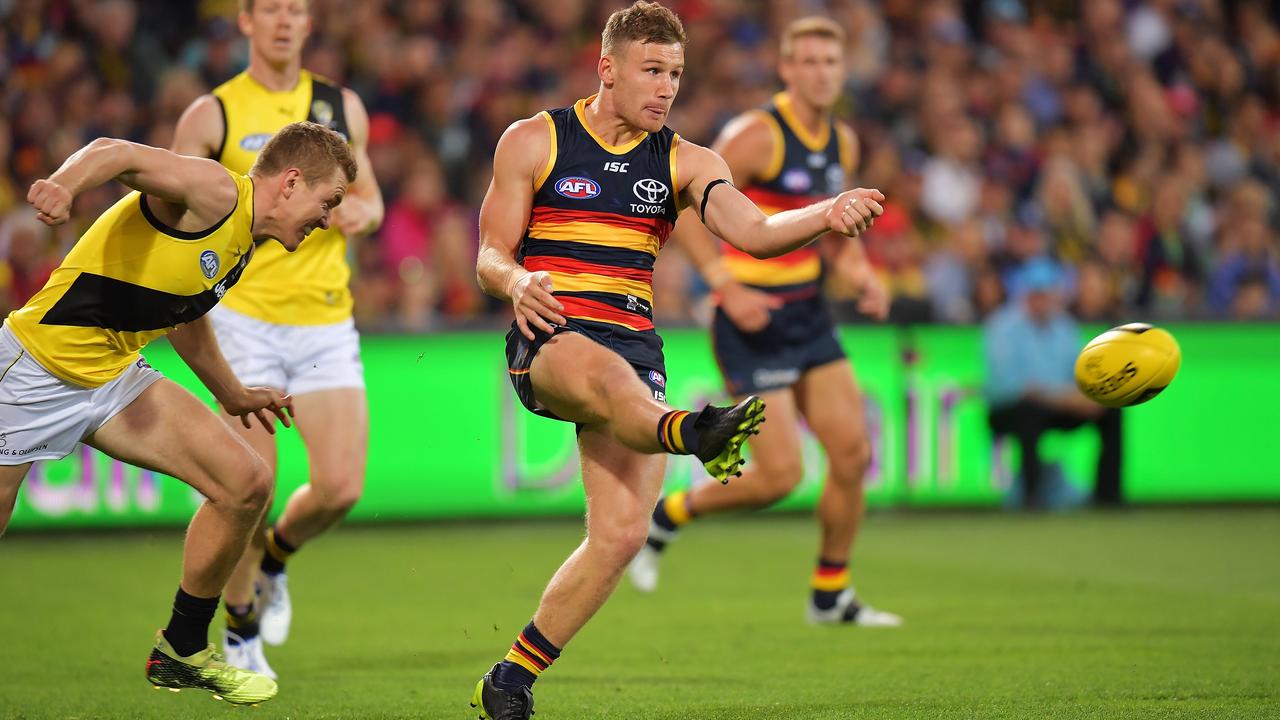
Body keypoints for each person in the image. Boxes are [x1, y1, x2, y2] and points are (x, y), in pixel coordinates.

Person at [470, 3, 884, 718]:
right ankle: (691, 432)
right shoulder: (533, 140)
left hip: (635, 346)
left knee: (623, 534)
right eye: (652, 71)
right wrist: (515, 281)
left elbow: (752, 232)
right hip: (550, 330)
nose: (666, 88)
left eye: (676, 75)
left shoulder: (688, 161)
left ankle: (511, 676)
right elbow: (488, 253)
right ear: (608, 68)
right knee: (602, 376)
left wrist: (825, 212)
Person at [0, 121, 356, 704]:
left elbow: (184, 311)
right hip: (34, 370)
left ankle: (181, 648)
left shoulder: (240, 239)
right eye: (328, 201)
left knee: (246, 484)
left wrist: (234, 393)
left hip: (114, 375)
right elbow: (112, 152)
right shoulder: (215, 191)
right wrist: (64, 185)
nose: (328, 219)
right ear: (292, 182)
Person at [627, 16, 903, 628]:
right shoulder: (756, 136)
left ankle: (830, 595)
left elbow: (837, 228)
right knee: (780, 476)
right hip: (751, 318)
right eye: (807, 61)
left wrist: (859, 273)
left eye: (830, 62)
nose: (821, 72)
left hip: (807, 311)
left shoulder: (844, 142)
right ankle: (670, 514)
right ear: (786, 69)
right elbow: (691, 204)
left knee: (853, 455)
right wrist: (725, 286)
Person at [171, 0, 383, 678]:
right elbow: (175, 207)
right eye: (272, 9)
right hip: (240, 319)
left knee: (342, 487)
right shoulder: (213, 115)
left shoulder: (338, 104)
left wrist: (354, 215)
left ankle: (277, 560)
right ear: (246, 21)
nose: (286, 20)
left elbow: (370, 197)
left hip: (323, 317)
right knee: (248, 486)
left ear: (310, 23)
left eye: (297, 9)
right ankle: (239, 629)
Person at [984, 257, 1123, 508]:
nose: (1042, 299)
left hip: (1057, 405)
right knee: (1029, 413)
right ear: (1025, 294)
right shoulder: (1003, 326)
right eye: (1037, 293)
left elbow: (1081, 374)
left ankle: (1108, 495)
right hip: (1011, 409)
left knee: (1111, 410)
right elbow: (1011, 386)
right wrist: (1064, 398)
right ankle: (1031, 497)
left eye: (1047, 293)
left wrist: (1087, 398)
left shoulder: (1064, 327)